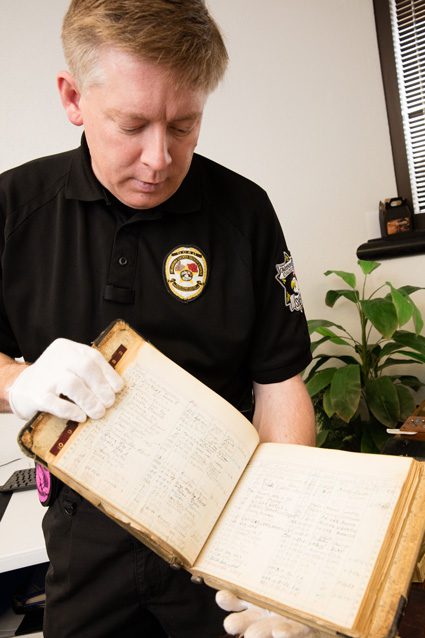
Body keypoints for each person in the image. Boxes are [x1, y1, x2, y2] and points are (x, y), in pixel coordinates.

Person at [0, 1, 316, 636]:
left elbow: (278, 384)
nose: (158, 159)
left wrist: (282, 556)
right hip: (82, 535)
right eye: (132, 124)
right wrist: (16, 383)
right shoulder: (14, 210)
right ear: (73, 98)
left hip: (218, 538)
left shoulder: (245, 213)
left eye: (183, 126)